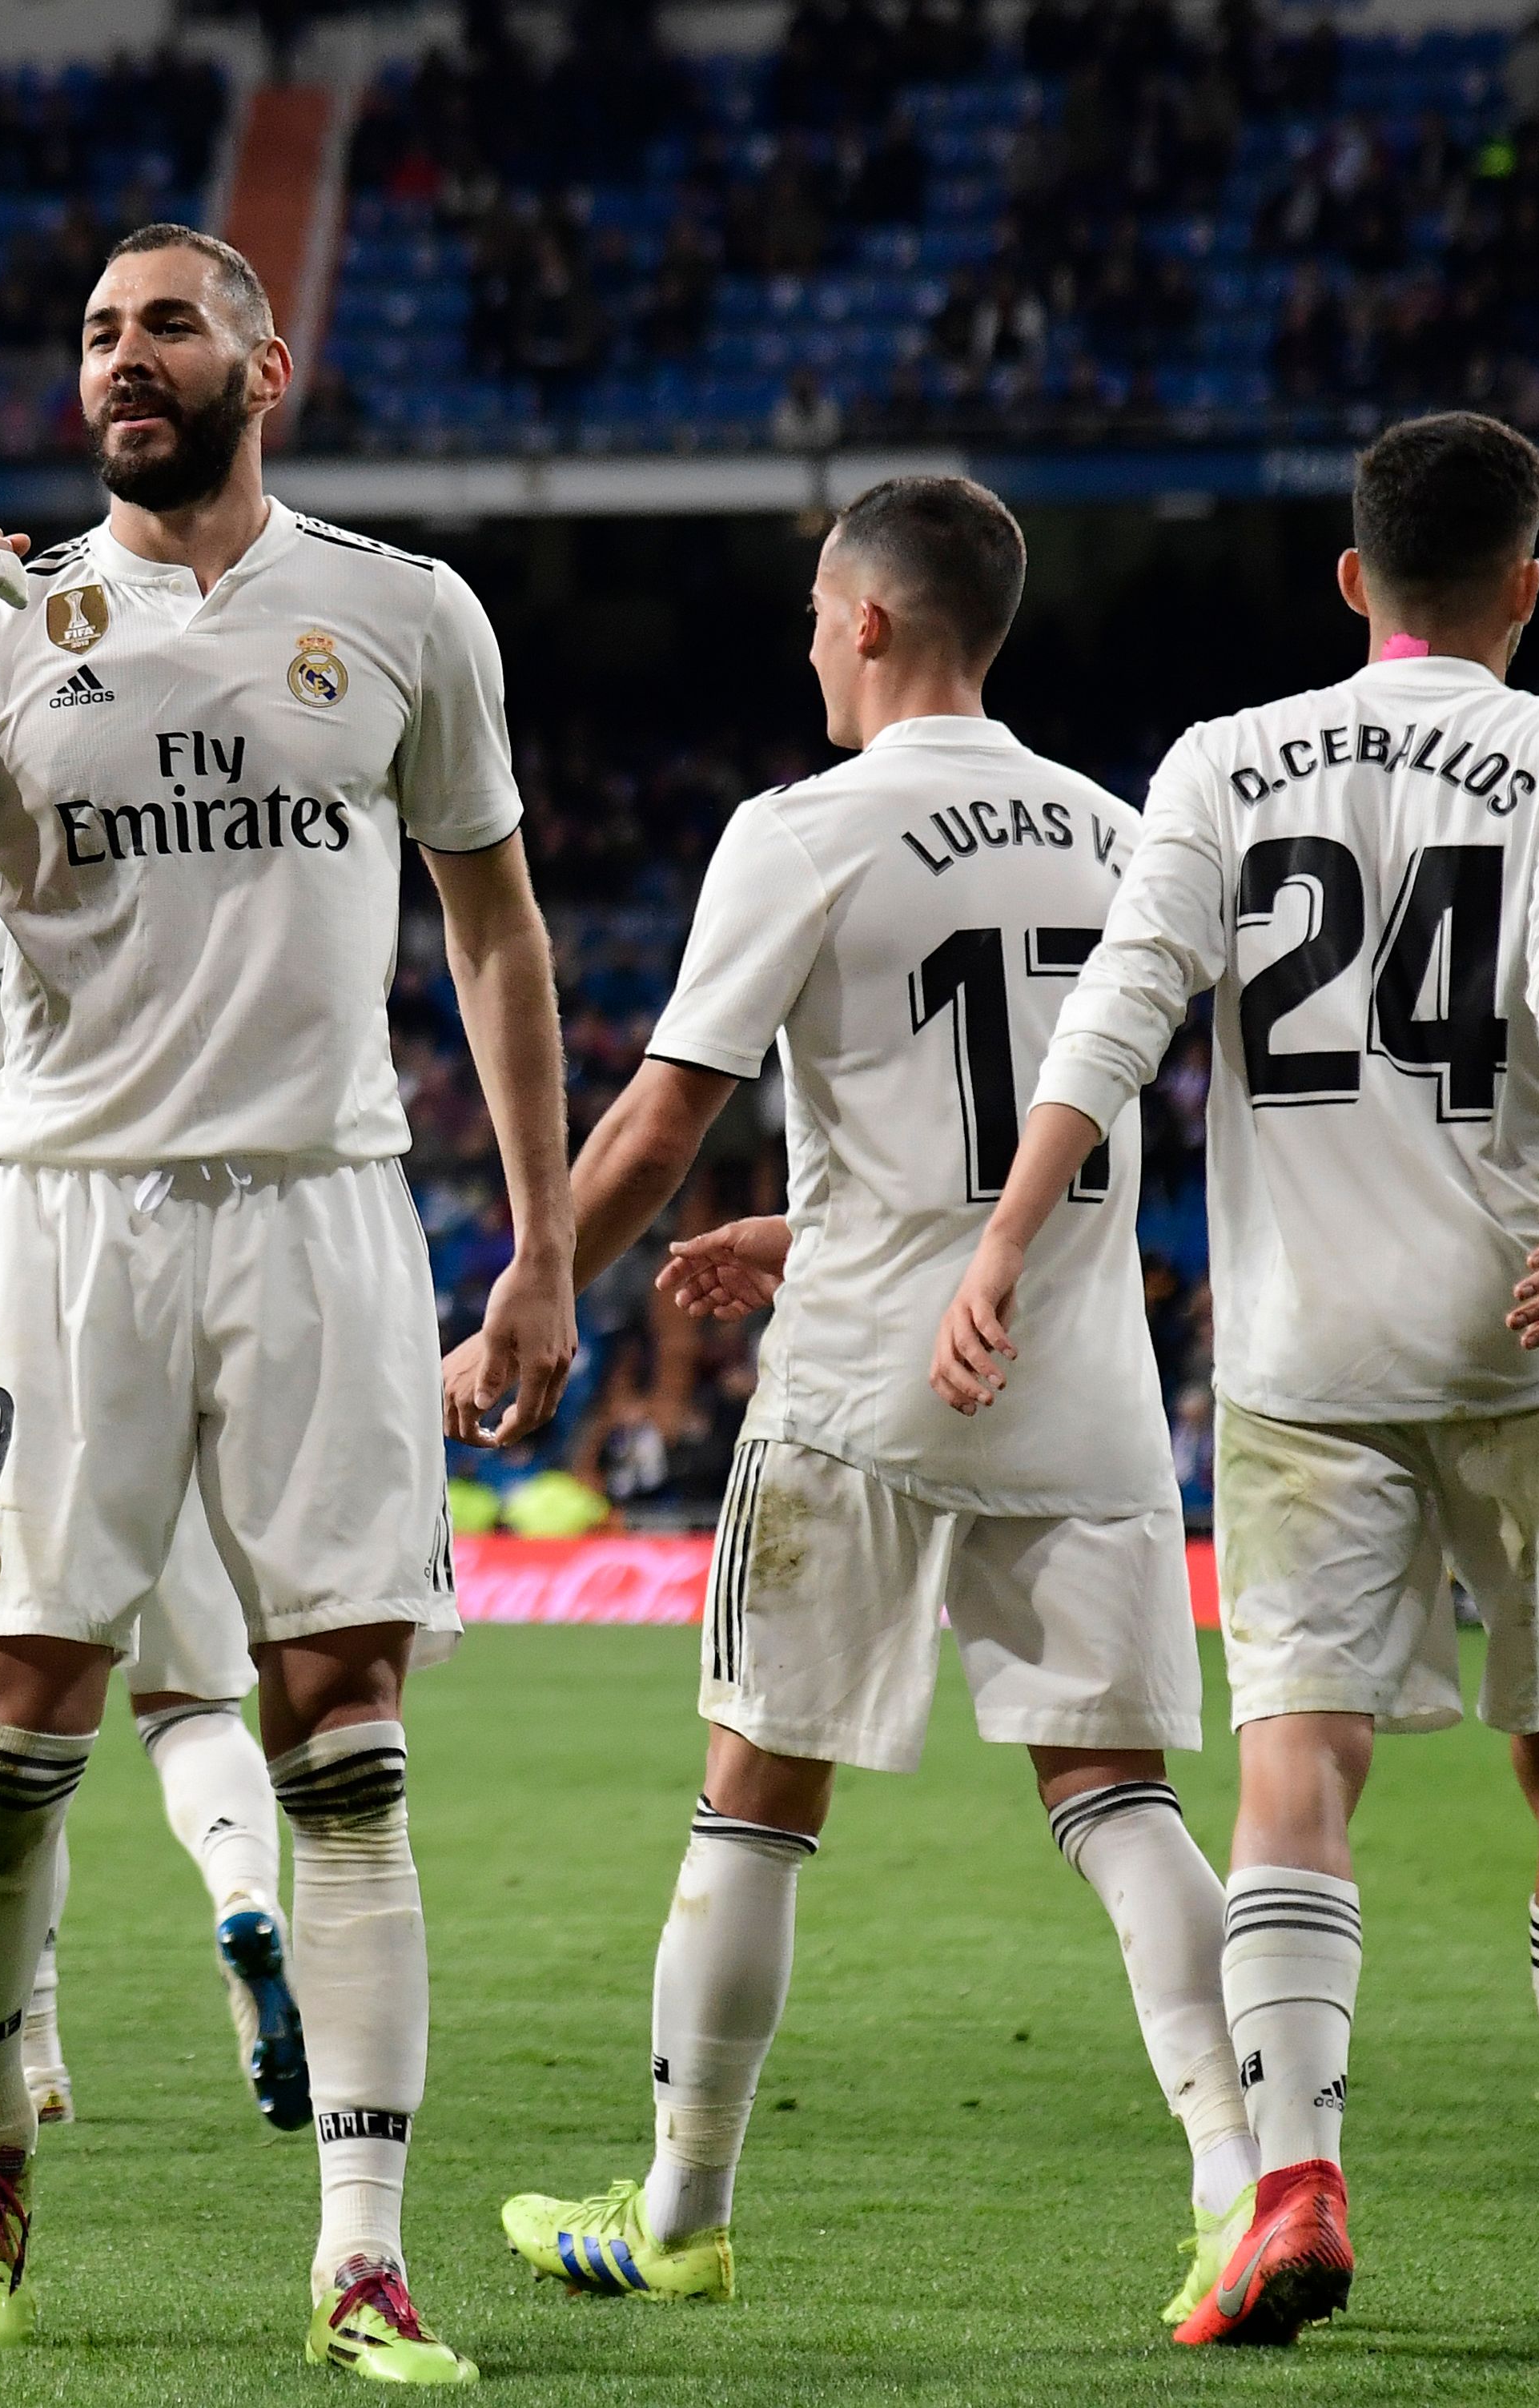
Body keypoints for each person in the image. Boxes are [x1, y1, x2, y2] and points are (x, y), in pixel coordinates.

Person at [0, 223, 573, 2378]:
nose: (117, 364)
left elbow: (497, 935)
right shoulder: (10, 618)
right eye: (91, 335)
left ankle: (356, 2245)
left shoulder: (402, 613)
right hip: (66, 1226)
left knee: (345, 1724)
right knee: (23, 1723)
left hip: (325, 1211)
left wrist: (536, 1240)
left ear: (267, 360)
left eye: (161, 326)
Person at [933, 412, 1539, 2341]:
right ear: (1524, 584)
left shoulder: (1219, 756)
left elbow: (1118, 1013)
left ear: (1350, 579)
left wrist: (1004, 1233)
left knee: (1295, 1758)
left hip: (1300, 1350)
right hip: (1527, 1326)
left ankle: (1291, 2188)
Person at [487, 476, 1252, 2326]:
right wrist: (816, 1205)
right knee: (1120, 1791)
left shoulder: (802, 826)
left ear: (871, 621)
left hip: (858, 1392)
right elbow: (1045, 1108)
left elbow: (658, 1117)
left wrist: (531, 1284)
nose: (805, 641)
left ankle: (677, 2206)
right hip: (1073, 1381)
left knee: (753, 1791)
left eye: (816, 610)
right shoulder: (1116, 823)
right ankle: (1246, 2187)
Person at [0, 866, 310, 2134]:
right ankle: (245, 1899)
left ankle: (36, 2048)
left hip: (35, 1311)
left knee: (18, 1732)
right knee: (191, 1701)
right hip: (214, 1297)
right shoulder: (187, 871)